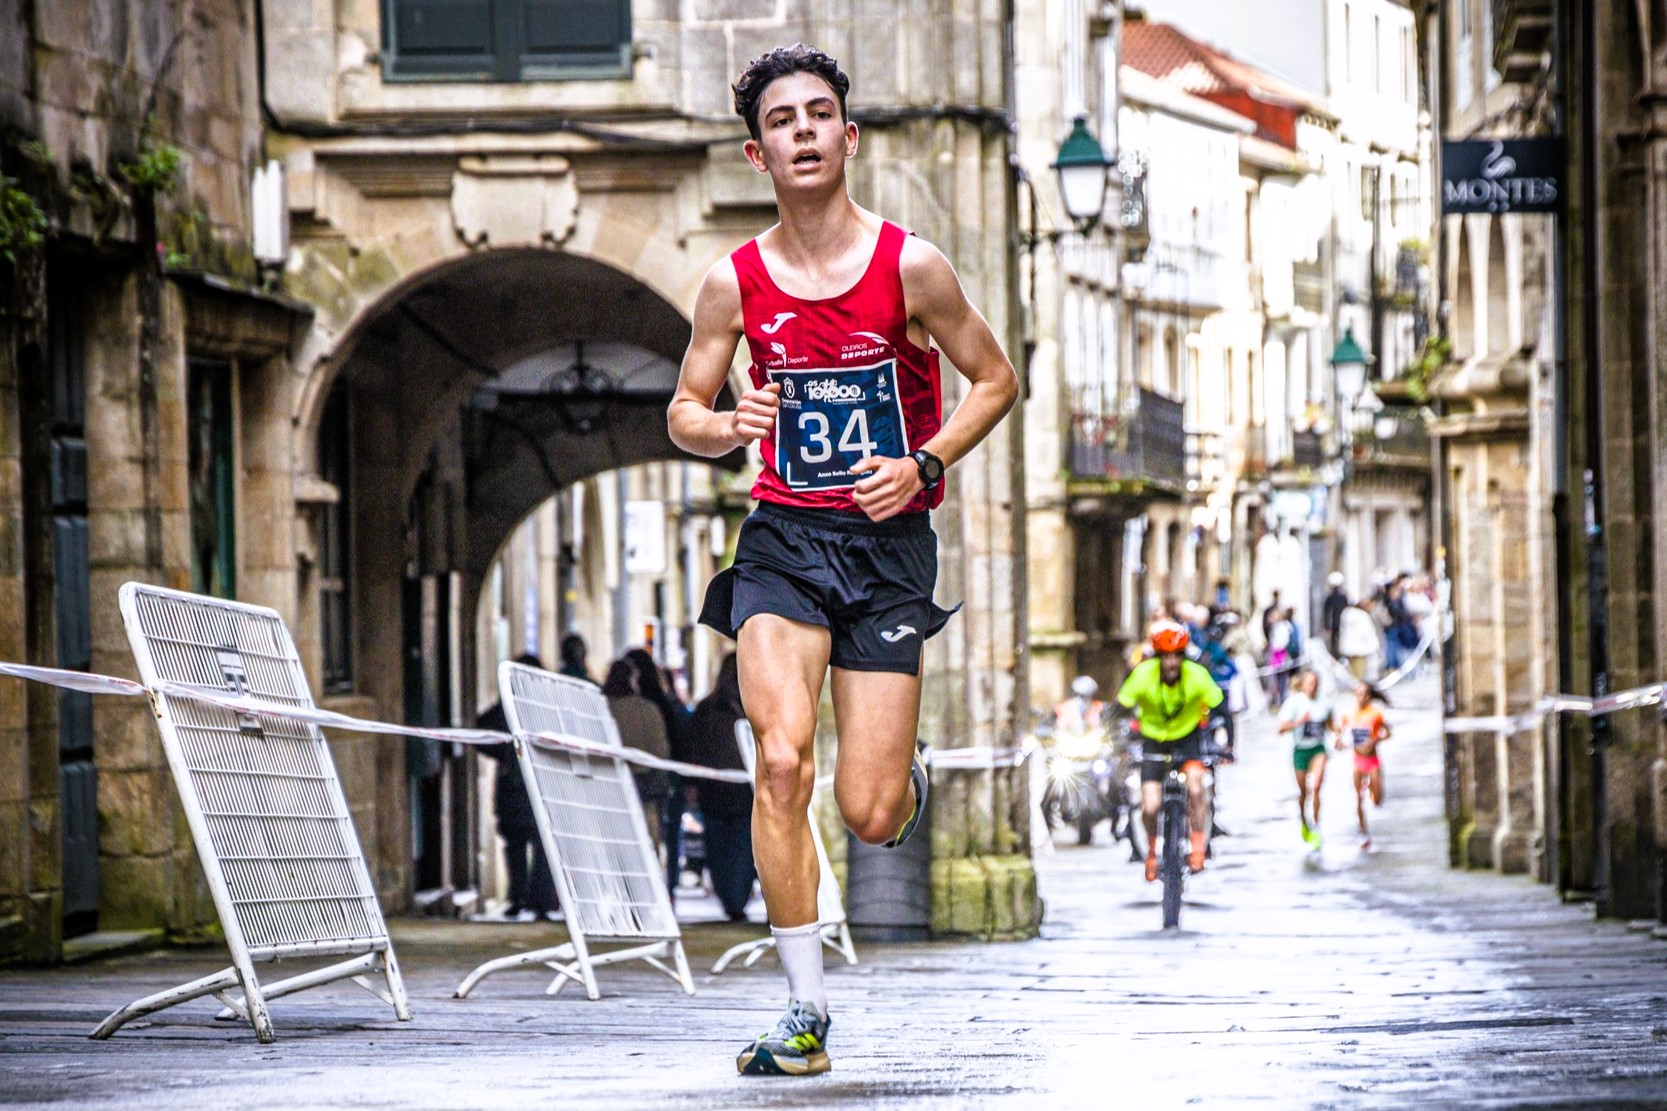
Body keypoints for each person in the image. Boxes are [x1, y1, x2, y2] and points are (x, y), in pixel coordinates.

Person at [667, 43, 1018, 1079]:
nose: (805, 131)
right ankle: (804, 1010)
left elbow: (994, 380)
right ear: (756, 151)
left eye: (821, 114)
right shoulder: (730, 285)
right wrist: (729, 425)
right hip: (781, 536)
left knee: (869, 813)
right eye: (784, 120)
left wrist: (923, 463)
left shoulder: (908, 266)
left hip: (886, 548)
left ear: (848, 137)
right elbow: (682, 410)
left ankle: (894, 767)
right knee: (779, 760)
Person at [1116, 621, 1227, 880]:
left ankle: (1198, 847)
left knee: (1196, 789)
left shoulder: (1197, 675)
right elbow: (1119, 709)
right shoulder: (1143, 675)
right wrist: (1113, 742)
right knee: (1151, 806)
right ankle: (1153, 851)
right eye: (1166, 657)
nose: (1172, 663)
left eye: (1177, 656)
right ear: (1158, 658)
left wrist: (1228, 742)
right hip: (1153, 740)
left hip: (1188, 738)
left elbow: (1221, 708)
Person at [476, 653, 557, 920]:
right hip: (539, 786)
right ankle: (540, 901)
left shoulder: (509, 706)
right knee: (542, 846)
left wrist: (503, 753)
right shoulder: (548, 706)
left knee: (515, 846)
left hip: (512, 786)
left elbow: (481, 729)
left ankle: (518, 896)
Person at [689, 654, 758, 921]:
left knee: (718, 848)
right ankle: (736, 900)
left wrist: (692, 785)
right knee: (741, 848)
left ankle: (730, 901)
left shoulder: (705, 709)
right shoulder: (750, 707)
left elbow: (693, 749)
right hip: (743, 791)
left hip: (713, 789)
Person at [624, 648, 695, 894]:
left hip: (632, 782)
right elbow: (674, 745)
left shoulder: (617, 706)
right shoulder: (663, 704)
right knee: (668, 836)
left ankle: (641, 890)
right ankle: (667, 889)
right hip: (663, 781)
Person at [603, 658, 673, 859]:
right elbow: (661, 753)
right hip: (644, 791)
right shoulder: (647, 710)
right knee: (645, 850)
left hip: (608, 791)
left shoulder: (602, 707)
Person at [1277, 669, 1334, 851]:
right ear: (1302, 684)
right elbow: (1281, 728)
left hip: (1318, 749)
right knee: (1303, 792)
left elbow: (1331, 725)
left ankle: (1317, 828)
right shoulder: (1294, 703)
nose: (1312, 686)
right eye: (1309, 683)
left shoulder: (1324, 703)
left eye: (1315, 683)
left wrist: (1340, 735)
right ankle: (1304, 821)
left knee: (1315, 787)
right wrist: (1299, 722)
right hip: (1300, 751)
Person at [1334, 681, 1392, 849]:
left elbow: (1388, 733)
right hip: (1357, 761)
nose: (1361, 697)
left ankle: (1371, 789)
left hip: (1373, 760)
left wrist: (1376, 739)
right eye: (1358, 694)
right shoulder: (1348, 715)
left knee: (1377, 801)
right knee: (1358, 798)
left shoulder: (1376, 714)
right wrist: (1340, 743)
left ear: (1369, 696)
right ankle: (1362, 831)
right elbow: (1340, 736)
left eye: (1365, 694)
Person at [1337, 599, 1381, 680]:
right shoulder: (1362, 616)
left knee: (1352, 672)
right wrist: (1375, 646)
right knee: (1359, 675)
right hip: (1360, 649)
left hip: (1349, 648)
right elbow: (1366, 634)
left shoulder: (1346, 614)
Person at [1322, 572, 1348, 656]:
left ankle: (1335, 655)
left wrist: (1327, 626)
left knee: (1334, 644)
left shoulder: (1329, 598)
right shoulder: (1343, 597)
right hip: (1342, 623)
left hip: (1334, 624)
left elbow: (1326, 613)